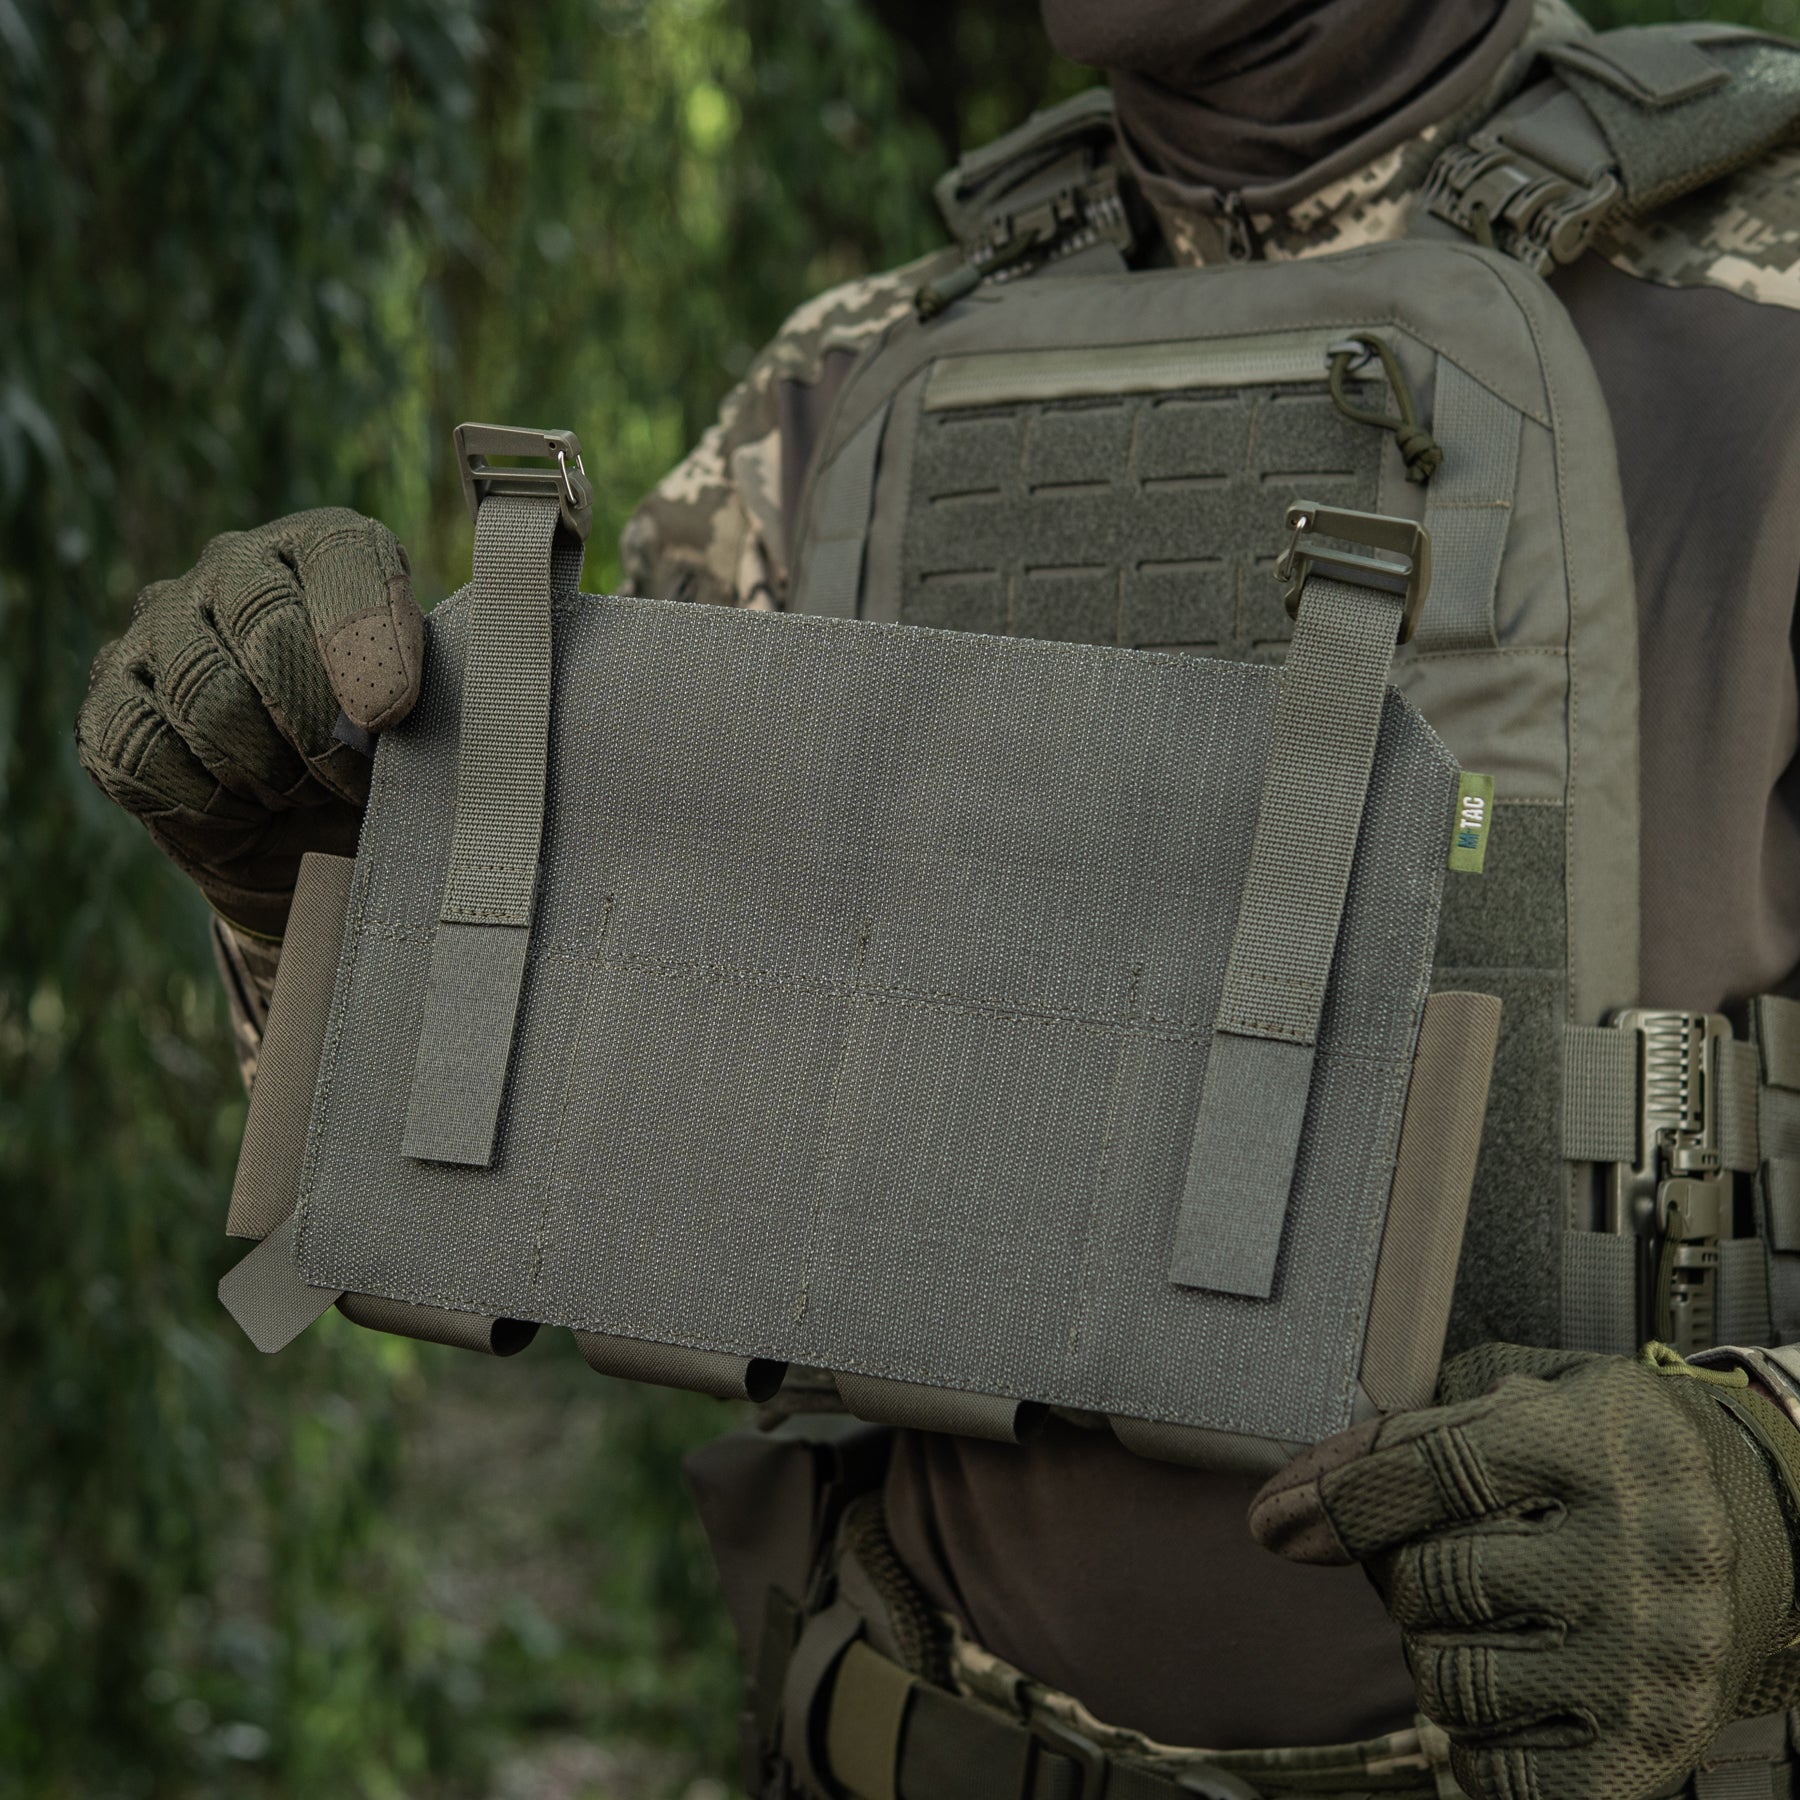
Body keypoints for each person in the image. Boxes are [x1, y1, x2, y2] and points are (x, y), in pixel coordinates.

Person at [75, 3, 1800, 1796]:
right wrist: (310, 875)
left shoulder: (1769, 303)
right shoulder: (843, 395)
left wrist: (1768, 1506)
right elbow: (537, 1129)